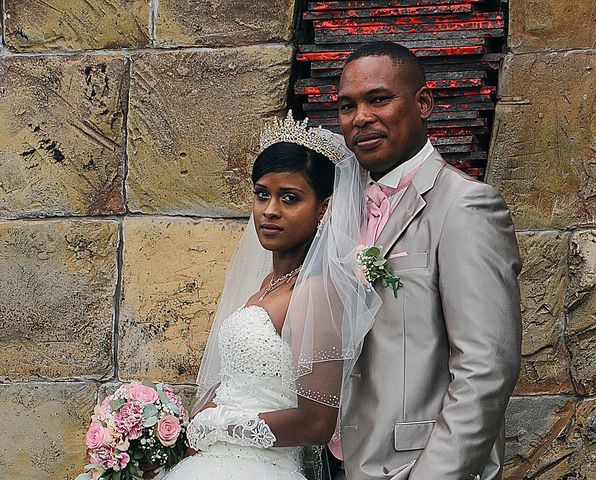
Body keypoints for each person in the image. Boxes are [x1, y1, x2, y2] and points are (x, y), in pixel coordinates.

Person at [148, 112, 380, 480]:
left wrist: (222, 424)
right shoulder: (268, 285)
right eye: (262, 194)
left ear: (323, 208)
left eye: (289, 198)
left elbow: (317, 422)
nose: (270, 210)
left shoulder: (315, 292)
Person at [332, 42, 522, 479]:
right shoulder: (337, 210)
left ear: (423, 103)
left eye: (378, 99)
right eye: (347, 106)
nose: (360, 117)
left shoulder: (465, 207)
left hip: (412, 466)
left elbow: (486, 368)